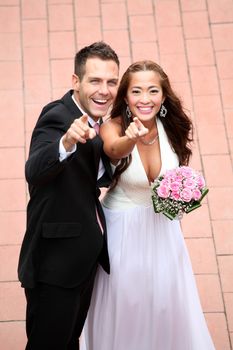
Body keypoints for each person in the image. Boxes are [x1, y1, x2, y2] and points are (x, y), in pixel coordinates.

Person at [82, 60, 215, 349]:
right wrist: (130, 139)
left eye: (153, 91)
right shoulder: (113, 127)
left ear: (163, 96)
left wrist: (183, 194)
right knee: (128, 302)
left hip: (164, 231)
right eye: (137, 91)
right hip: (123, 231)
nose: (145, 99)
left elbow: (177, 171)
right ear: (126, 97)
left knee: (167, 301)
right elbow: (112, 150)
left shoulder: (172, 127)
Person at [17, 41, 119, 350]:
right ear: (76, 82)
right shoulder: (59, 116)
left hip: (80, 261)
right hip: (55, 267)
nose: (104, 90)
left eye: (111, 81)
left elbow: (94, 175)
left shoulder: (97, 120)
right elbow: (34, 171)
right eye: (95, 80)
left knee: (69, 341)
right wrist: (66, 143)